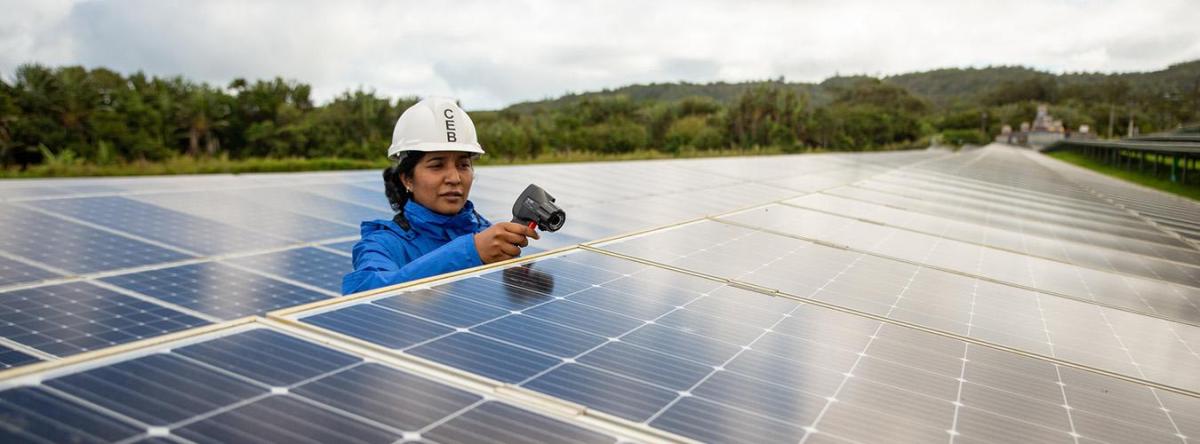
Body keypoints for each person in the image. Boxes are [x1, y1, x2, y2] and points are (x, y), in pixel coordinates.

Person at [341, 97, 538, 295]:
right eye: (437, 165)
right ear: (407, 179)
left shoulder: (484, 232)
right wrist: (471, 252)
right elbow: (364, 296)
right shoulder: (383, 244)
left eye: (463, 165)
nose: (454, 178)